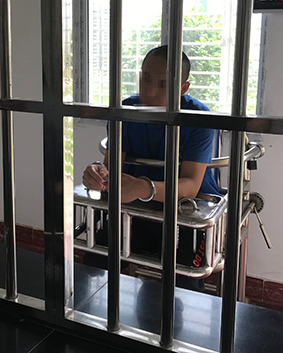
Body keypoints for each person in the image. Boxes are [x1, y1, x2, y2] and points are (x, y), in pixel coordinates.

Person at [82, 45, 219, 291]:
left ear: (183, 89)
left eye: (163, 84)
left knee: (184, 281)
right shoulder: (126, 111)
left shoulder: (200, 119)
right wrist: (97, 174)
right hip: (138, 207)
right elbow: (111, 170)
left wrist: (144, 187)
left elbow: (190, 185)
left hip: (187, 211)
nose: (150, 91)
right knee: (94, 263)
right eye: (145, 79)